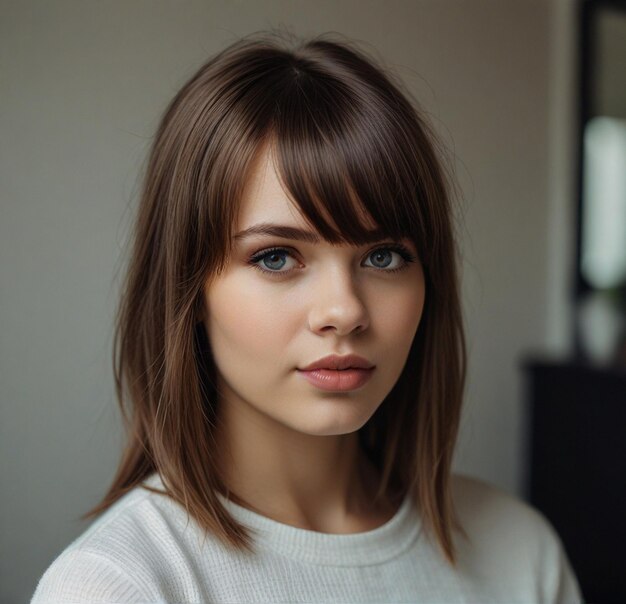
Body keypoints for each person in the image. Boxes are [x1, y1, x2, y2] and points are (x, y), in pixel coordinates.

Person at [31, 30, 582, 603]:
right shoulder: (118, 585)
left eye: (383, 256)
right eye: (276, 257)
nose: (344, 311)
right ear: (188, 291)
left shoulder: (522, 555)